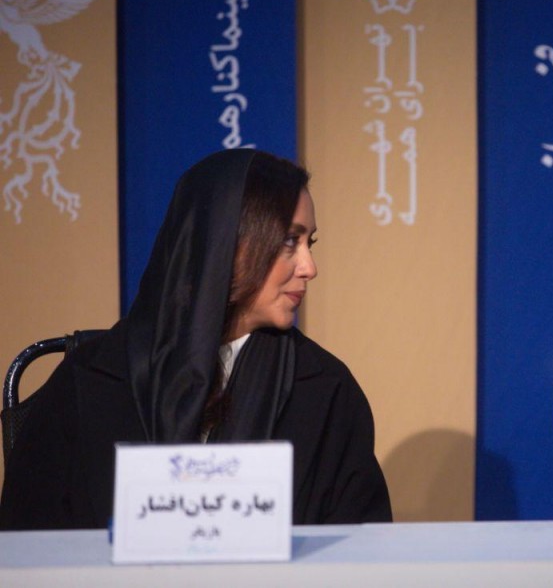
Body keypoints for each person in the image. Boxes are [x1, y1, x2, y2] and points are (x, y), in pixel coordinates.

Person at [0, 149, 392, 529]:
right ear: (223, 243)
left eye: (310, 243)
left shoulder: (325, 388)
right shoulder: (88, 380)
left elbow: (359, 546)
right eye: (290, 241)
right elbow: (26, 541)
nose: (309, 267)